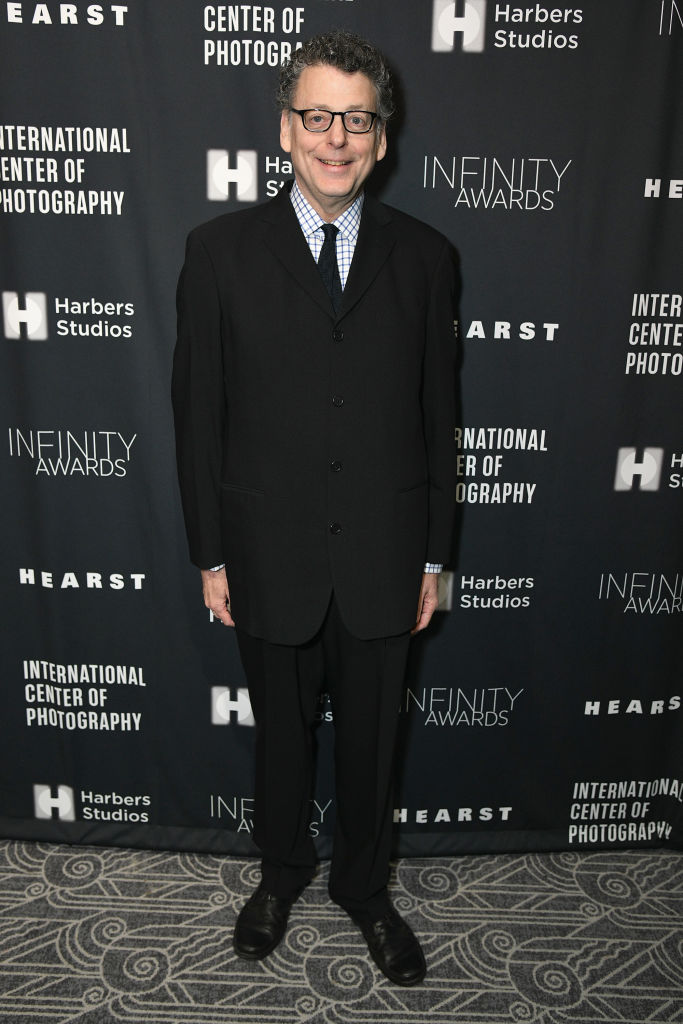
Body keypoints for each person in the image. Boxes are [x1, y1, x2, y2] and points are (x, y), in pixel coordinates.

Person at [172, 29, 457, 987]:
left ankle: (366, 889)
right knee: (280, 741)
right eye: (317, 115)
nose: (336, 136)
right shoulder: (215, 254)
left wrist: (433, 558)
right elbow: (197, 417)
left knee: (375, 746)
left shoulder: (427, 259)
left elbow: (438, 419)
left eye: (357, 119)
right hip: (266, 551)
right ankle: (281, 875)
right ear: (285, 130)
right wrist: (211, 557)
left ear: (382, 139)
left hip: (385, 552)